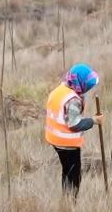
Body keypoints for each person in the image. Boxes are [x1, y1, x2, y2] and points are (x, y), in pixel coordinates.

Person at [44, 64, 103, 198]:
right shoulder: (72, 100)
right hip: (66, 144)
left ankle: (66, 199)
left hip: (54, 139)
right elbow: (74, 124)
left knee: (67, 170)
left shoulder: (60, 90)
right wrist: (93, 121)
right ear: (80, 83)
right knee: (74, 176)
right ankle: (70, 202)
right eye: (87, 85)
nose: (88, 89)